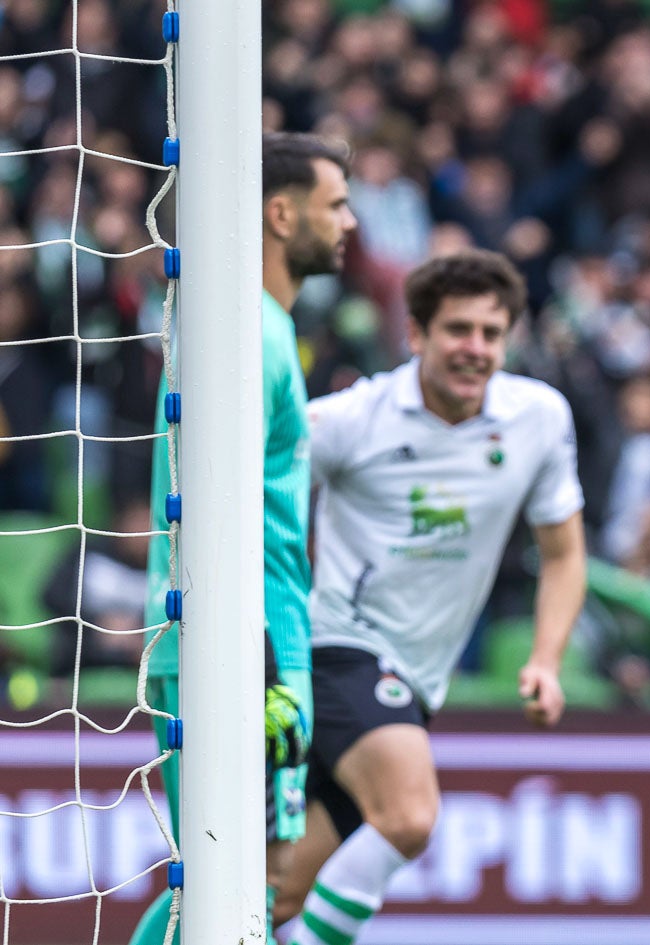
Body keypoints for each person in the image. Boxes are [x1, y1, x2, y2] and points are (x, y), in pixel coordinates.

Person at [273, 250, 587, 945]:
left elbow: (563, 553)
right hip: (338, 645)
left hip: (415, 680)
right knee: (410, 815)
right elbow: (261, 470)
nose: (474, 349)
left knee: (273, 891)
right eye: (457, 330)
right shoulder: (354, 417)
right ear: (414, 333)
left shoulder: (537, 417)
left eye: (490, 333)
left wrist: (546, 658)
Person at [130, 131, 358, 945]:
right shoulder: (246, 336)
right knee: (226, 881)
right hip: (233, 653)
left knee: (256, 883)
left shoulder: (267, 330)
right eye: (336, 204)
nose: (351, 221)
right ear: (279, 210)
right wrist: (258, 659)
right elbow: (223, 509)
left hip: (264, 644)